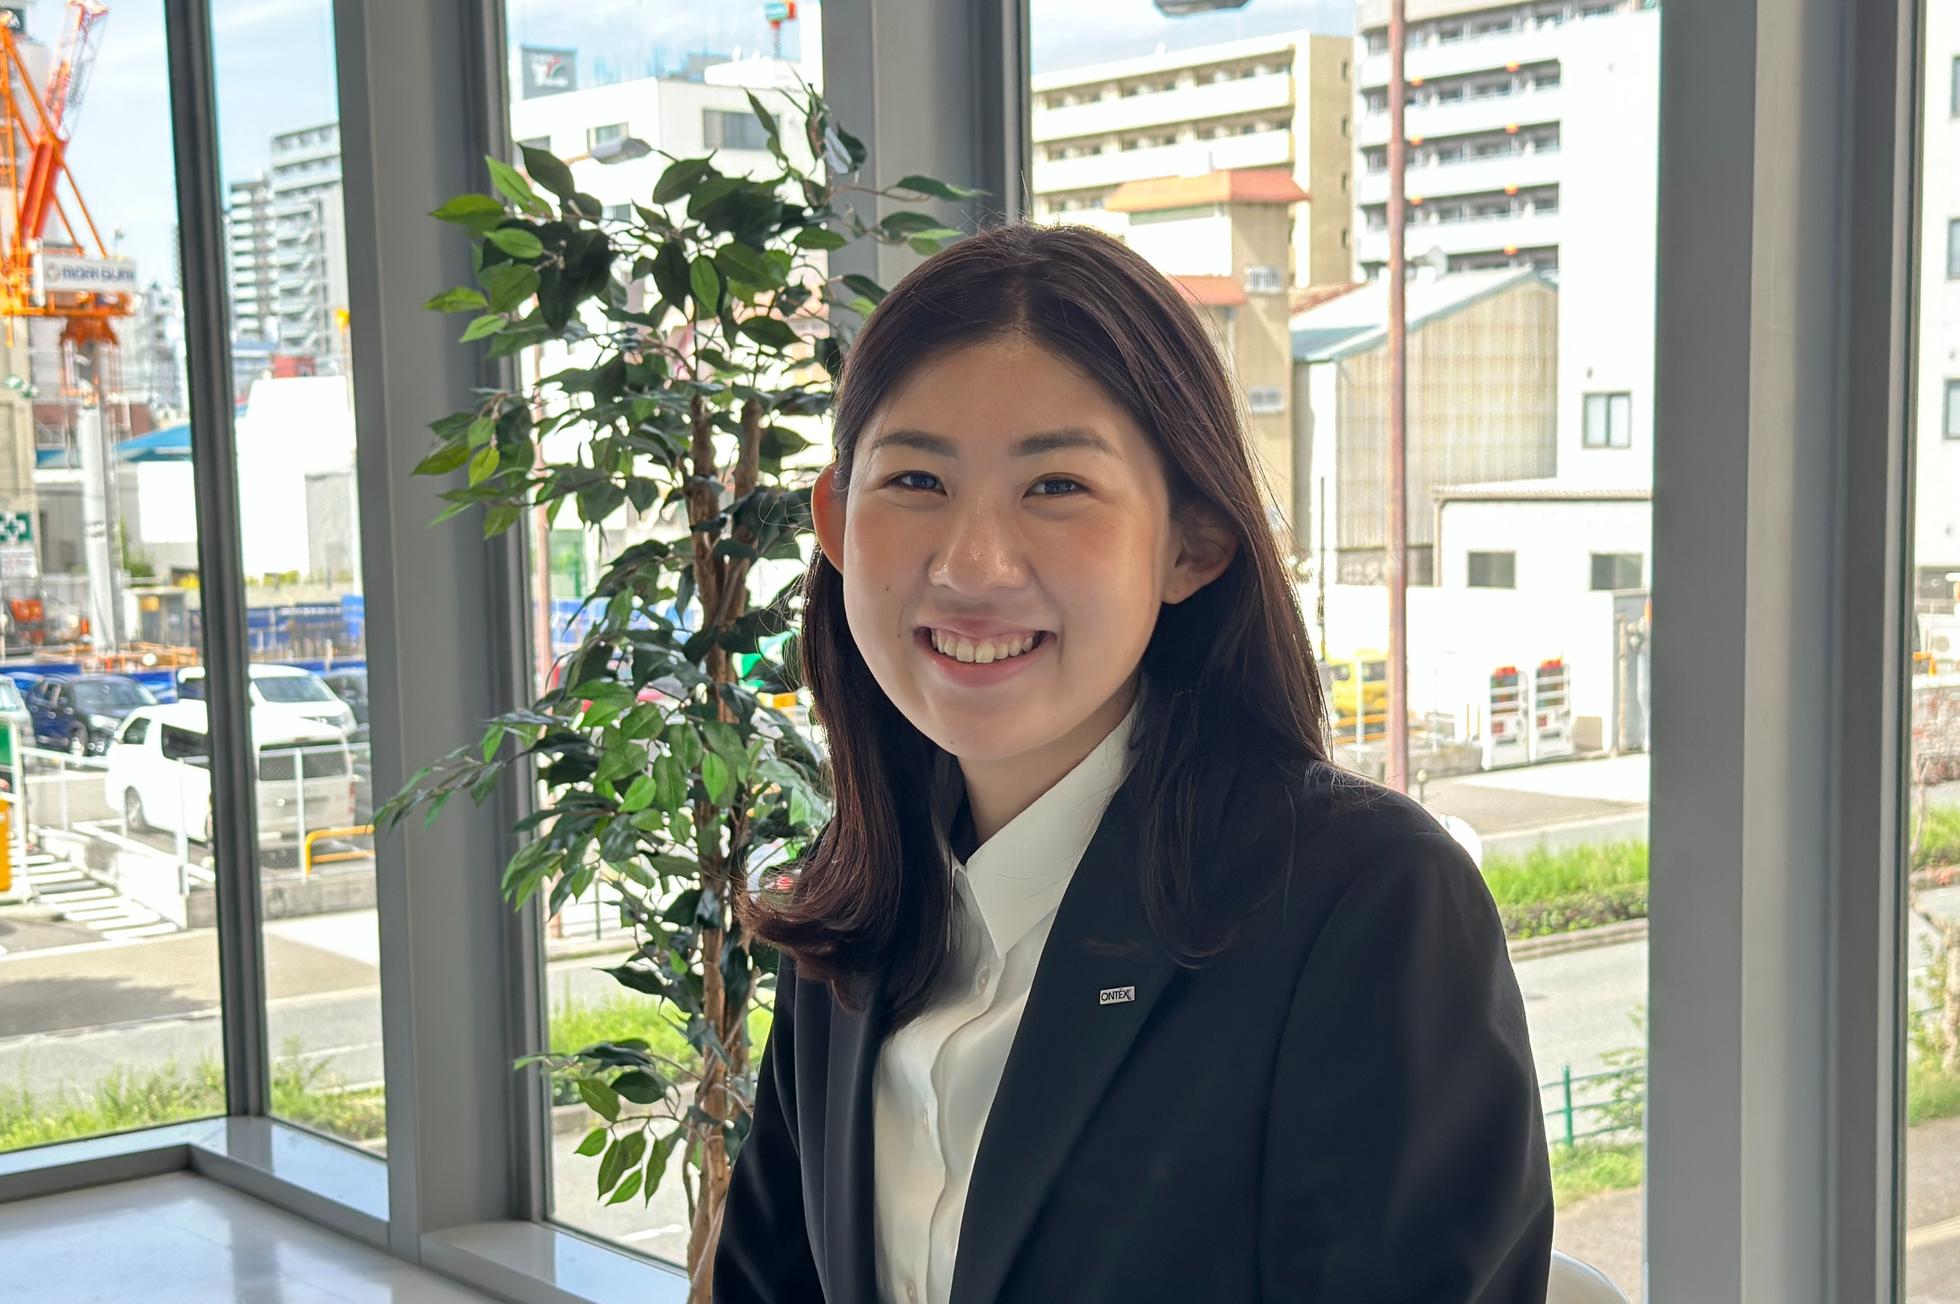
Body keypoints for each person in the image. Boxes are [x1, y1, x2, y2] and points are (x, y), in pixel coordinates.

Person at [716, 222, 1553, 1303]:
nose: (972, 564)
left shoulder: (1365, 900)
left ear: (1192, 543)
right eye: (916, 478)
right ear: (835, 523)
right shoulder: (859, 897)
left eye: (1056, 486)